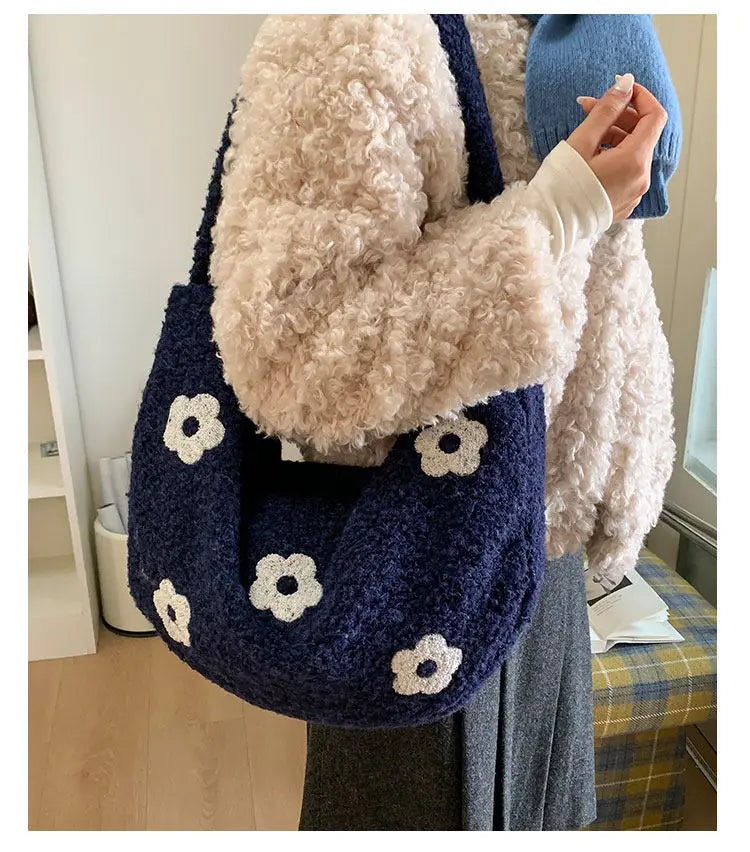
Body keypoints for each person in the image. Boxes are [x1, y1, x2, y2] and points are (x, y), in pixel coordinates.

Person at [207, 13, 677, 830]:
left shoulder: (590, 26)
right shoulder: (356, 28)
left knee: (538, 816)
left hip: (547, 549)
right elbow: (292, 349)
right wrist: (558, 214)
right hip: (421, 541)